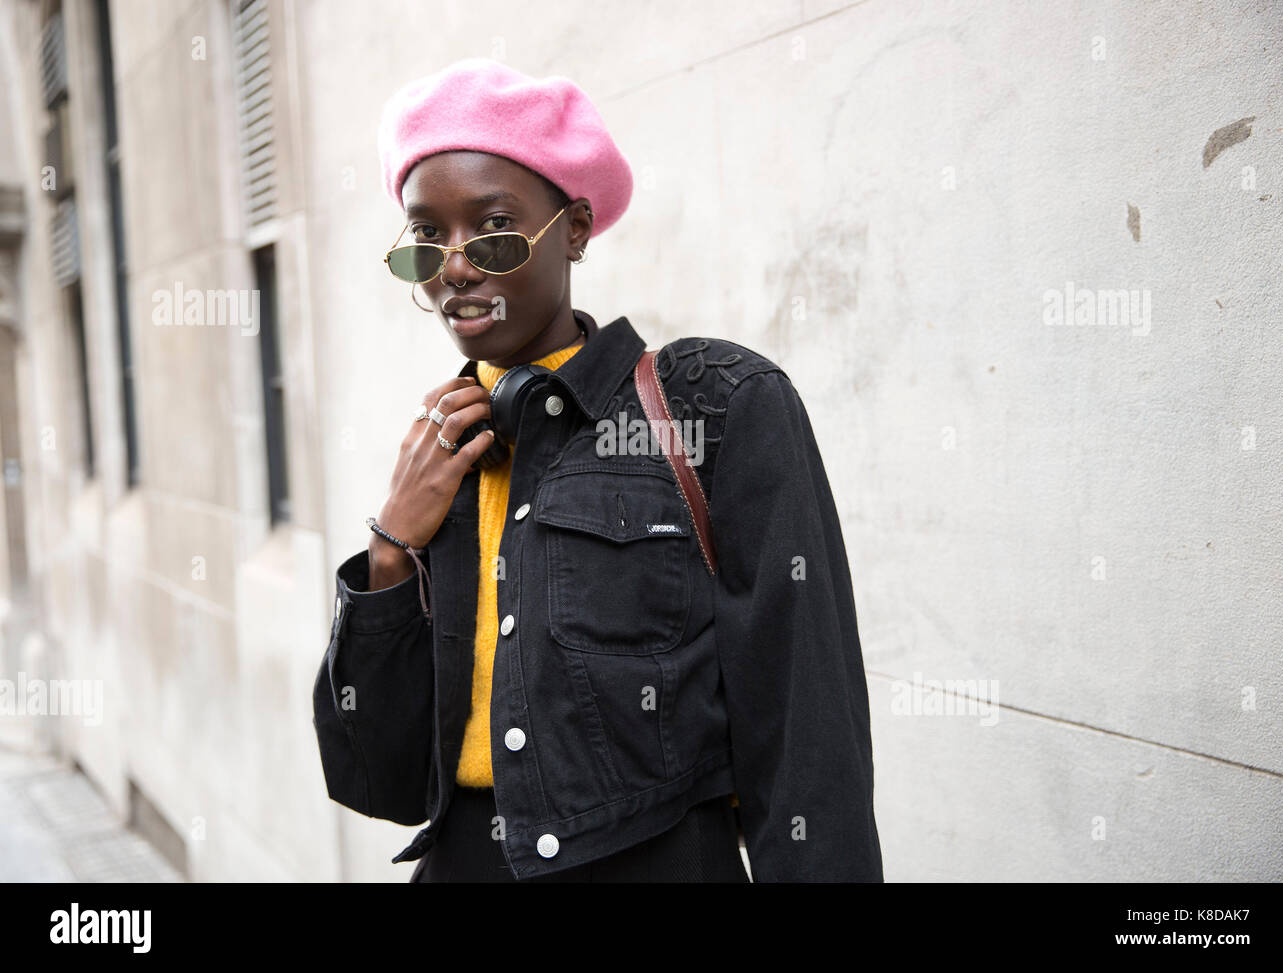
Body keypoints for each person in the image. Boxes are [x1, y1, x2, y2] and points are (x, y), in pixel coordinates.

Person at [311, 58, 884, 883]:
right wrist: (393, 548)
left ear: (574, 228)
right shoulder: (440, 456)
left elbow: (808, 750)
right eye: (427, 237)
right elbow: (378, 778)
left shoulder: (712, 408)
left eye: (494, 227)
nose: (458, 267)